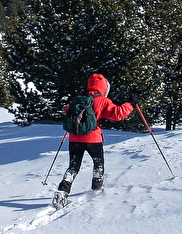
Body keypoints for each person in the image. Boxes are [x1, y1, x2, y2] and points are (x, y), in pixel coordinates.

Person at [53, 73, 135, 208]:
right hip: (94, 139)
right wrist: (130, 104)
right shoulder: (102, 101)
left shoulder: (78, 99)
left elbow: (67, 112)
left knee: (73, 167)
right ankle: (97, 189)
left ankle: (62, 190)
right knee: (98, 164)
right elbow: (118, 114)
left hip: (74, 138)